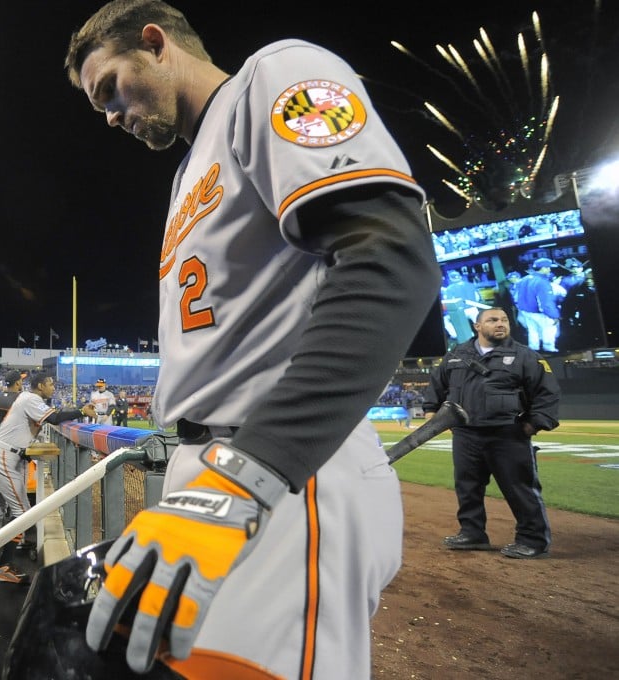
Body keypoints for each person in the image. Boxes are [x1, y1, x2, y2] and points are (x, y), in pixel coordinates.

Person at [65, 2, 441, 676]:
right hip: (219, 473)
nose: (110, 116)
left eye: (109, 89)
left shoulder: (273, 75)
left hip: (278, 476)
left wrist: (250, 475)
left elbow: (389, 259)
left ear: (154, 44)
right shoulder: (188, 173)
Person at [423, 307, 560, 560]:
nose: (500, 324)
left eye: (504, 320)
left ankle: (533, 540)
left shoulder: (525, 356)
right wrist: (431, 411)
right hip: (465, 434)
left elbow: (547, 393)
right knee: (467, 487)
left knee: (520, 488)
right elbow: (436, 385)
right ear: (478, 326)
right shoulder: (455, 356)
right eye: (493, 320)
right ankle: (472, 533)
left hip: (507, 434)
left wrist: (532, 425)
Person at [0, 371, 96, 583]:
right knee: (22, 514)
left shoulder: (27, 399)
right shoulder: (31, 399)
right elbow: (55, 418)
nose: (53, 388)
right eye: (50, 384)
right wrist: (80, 410)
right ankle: (4, 566)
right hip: (4, 457)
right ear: (39, 386)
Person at [513, 257, 561, 353]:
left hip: (525, 312)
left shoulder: (523, 279)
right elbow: (546, 303)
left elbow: (516, 298)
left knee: (533, 331)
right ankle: (549, 350)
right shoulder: (542, 282)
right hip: (539, 313)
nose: (549, 269)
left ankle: (533, 350)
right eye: (548, 267)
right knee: (549, 330)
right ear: (543, 268)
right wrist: (554, 316)